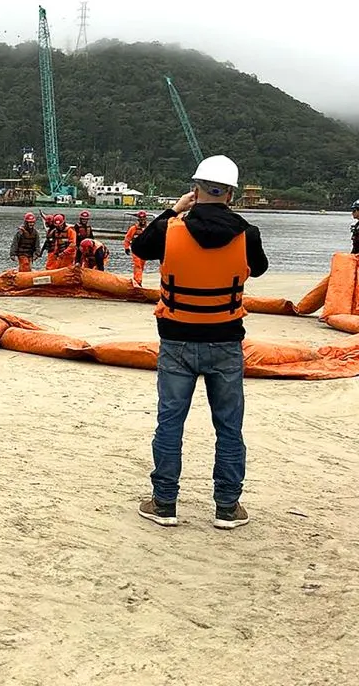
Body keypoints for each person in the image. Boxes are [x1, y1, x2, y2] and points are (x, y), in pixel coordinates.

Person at [129, 155, 268, 530]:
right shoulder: (247, 233)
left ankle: (164, 504)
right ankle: (226, 507)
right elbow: (260, 267)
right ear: (232, 193)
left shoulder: (171, 229)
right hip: (225, 341)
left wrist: (173, 210)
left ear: (197, 188)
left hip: (177, 339)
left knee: (170, 422)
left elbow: (140, 248)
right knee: (228, 426)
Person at [123, 211, 150, 286]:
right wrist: (126, 247)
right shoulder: (133, 228)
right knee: (137, 265)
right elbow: (127, 238)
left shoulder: (148, 228)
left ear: (145, 219)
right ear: (138, 219)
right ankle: (138, 281)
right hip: (136, 250)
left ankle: (136, 279)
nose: (142, 220)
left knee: (141, 266)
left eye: (143, 218)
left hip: (144, 251)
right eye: (140, 219)